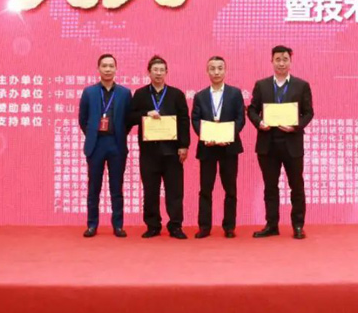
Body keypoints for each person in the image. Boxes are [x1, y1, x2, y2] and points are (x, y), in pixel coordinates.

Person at [247, 45, 314, 239]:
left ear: (290, 61)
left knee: (296, 186)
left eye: (285, 59)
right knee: (270, 187)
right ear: (272, 61)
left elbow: (308, 113)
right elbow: (252, 109)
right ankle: (271, 225)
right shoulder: (262, 85)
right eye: (278, 59)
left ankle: (298, 225)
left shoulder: (301, 85)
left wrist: (296, 126)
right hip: (267, 144)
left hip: (292, 143)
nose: (281, 63)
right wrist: (259, 122)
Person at [128, 55, 191, 239]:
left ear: (166, 72)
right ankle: (153, 225)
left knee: (175, 191)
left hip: (172, 151)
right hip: (149, 152)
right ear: (148, 72)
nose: (158, 73)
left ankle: (175, 226)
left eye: (162, 70)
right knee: (150, 190)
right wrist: (145, 114)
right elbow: (129, 117)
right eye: (155, 70)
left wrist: (184, 145)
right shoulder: (140, 94)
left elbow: (184, 121)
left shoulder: (176, 94)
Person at [78, 54, 133, 238]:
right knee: (94, 187)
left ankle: (118, 225)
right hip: (96, 144)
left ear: (116, 69)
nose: (108, 69)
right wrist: (93, 135)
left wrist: (119, 134)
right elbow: (83, 119)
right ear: (98, 69)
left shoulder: (125, 93)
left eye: (111, 66)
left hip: (116, 144)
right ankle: (92, 225)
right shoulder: (89, 92)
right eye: (104, 66)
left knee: (116, 188)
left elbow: (128, 120)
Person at [191, 56, 246, 239]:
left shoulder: (235, 93)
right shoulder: (200, 96)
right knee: (205, 189)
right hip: (207, 147)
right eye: (212, 68)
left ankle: (229, 226)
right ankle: (204, 227)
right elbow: (195, 119)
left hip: (229, 148)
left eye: (220, 68)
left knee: (230, 189)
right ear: (207, 71)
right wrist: (204, 136)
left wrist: (228, 136)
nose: (216, 72)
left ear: (225, 70)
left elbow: (240, 118)